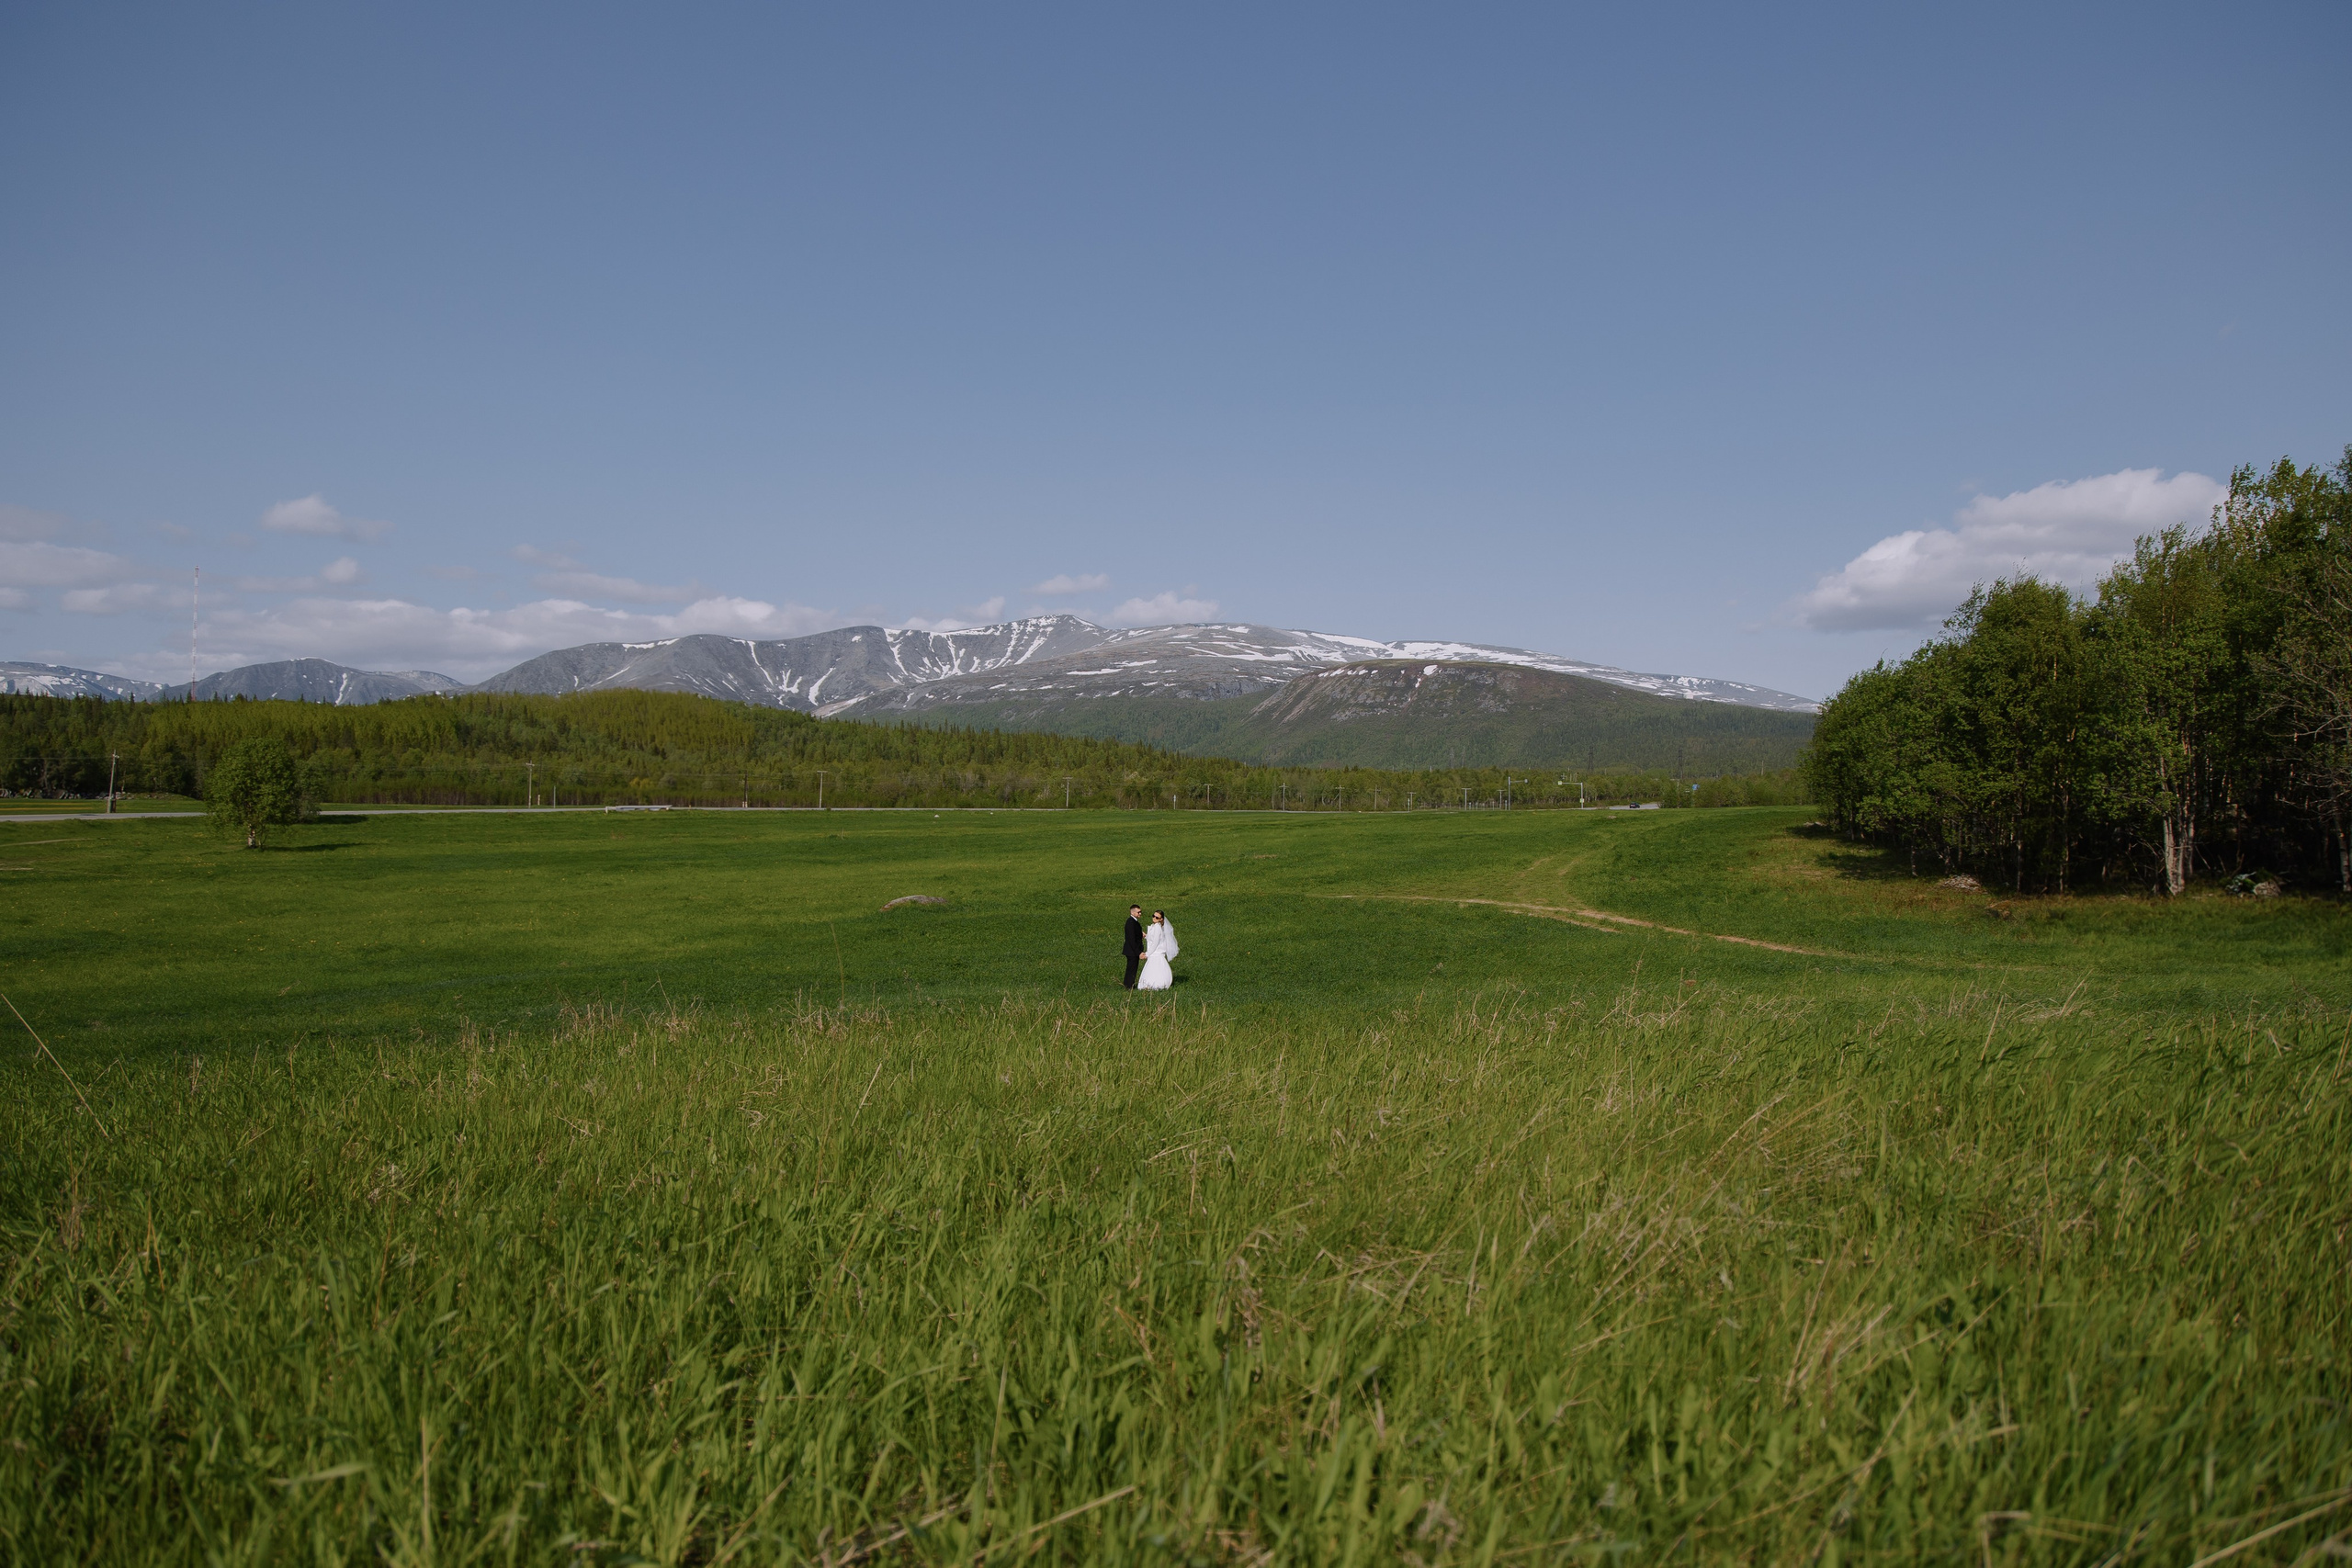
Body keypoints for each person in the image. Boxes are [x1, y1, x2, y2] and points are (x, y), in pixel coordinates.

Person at [1137, 909, 1178, 991]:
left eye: (1157, 917)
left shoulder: (1157, 927)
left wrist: (1147, 954)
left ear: (1161, 919)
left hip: (1156, 953)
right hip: (1154, 953)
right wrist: (1146, 936)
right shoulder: (1154, 926)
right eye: (1153, 916)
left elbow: (1156, 942)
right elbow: (1153, 938)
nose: (1154, 918)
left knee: (1156, 969)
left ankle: (1156, 984)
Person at [1121, 905, 1146, 988]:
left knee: (1132, 968)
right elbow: (1131, 939)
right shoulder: (1131, 922)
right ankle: (1128, 986)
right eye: (1138, 912)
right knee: (1131, 969)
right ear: (1133, 912)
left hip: (1132, 950)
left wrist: (1141, 934)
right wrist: (1138, 952)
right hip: (1132, 951)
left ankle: (1129, 984)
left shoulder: (1134, 922)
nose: (1140, 913)